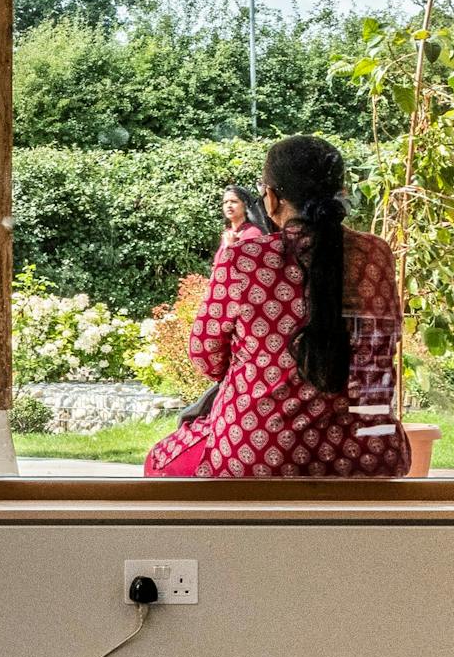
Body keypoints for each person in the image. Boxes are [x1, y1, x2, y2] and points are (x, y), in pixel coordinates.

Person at [144, 134, 406, 479]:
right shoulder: (376, 254)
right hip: (373, 452)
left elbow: (206, 355)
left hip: (259, 452)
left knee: (159, 462)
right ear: (340, 193)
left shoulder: (244, 259)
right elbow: (385, 339)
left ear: (271, 198)